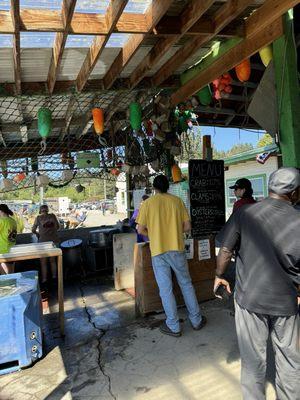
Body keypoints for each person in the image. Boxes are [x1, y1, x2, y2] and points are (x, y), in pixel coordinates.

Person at [215, 167, 300, 400]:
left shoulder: (246, 213)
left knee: (253, 362)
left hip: (249, 299)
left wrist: (219, 274)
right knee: (290, 362)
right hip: (286, 303)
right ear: (294, 193)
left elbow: (225, 249)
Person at [136, 175, 206, 337]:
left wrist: (154, 235)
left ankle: (173, 326)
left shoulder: (147, 204)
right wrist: (173, 232)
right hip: (177, 249)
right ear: (168, 186)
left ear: (154, 188)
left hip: (158, 251)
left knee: (165, 289)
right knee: (186, 284)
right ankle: (196, 320)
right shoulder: (177, 201)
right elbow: (187, 227)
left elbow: (140, 230)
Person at [32, 205, 60, 290]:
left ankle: (44, 281)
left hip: (43, 243)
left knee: (43, 262)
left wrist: (38, 234)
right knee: (52, 261)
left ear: (40, 211)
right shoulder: (53, 216)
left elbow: (33, 230)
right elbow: (58, 227)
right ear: (47, 210)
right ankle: (55, 279)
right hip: (54, 242)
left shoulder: (38, 218)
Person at [0, 204, 17, 274]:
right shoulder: (13, 221)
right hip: (13, 249)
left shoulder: (1, 221)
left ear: (1, 211)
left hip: (3, 250)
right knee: (11, 273)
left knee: (5, 276)